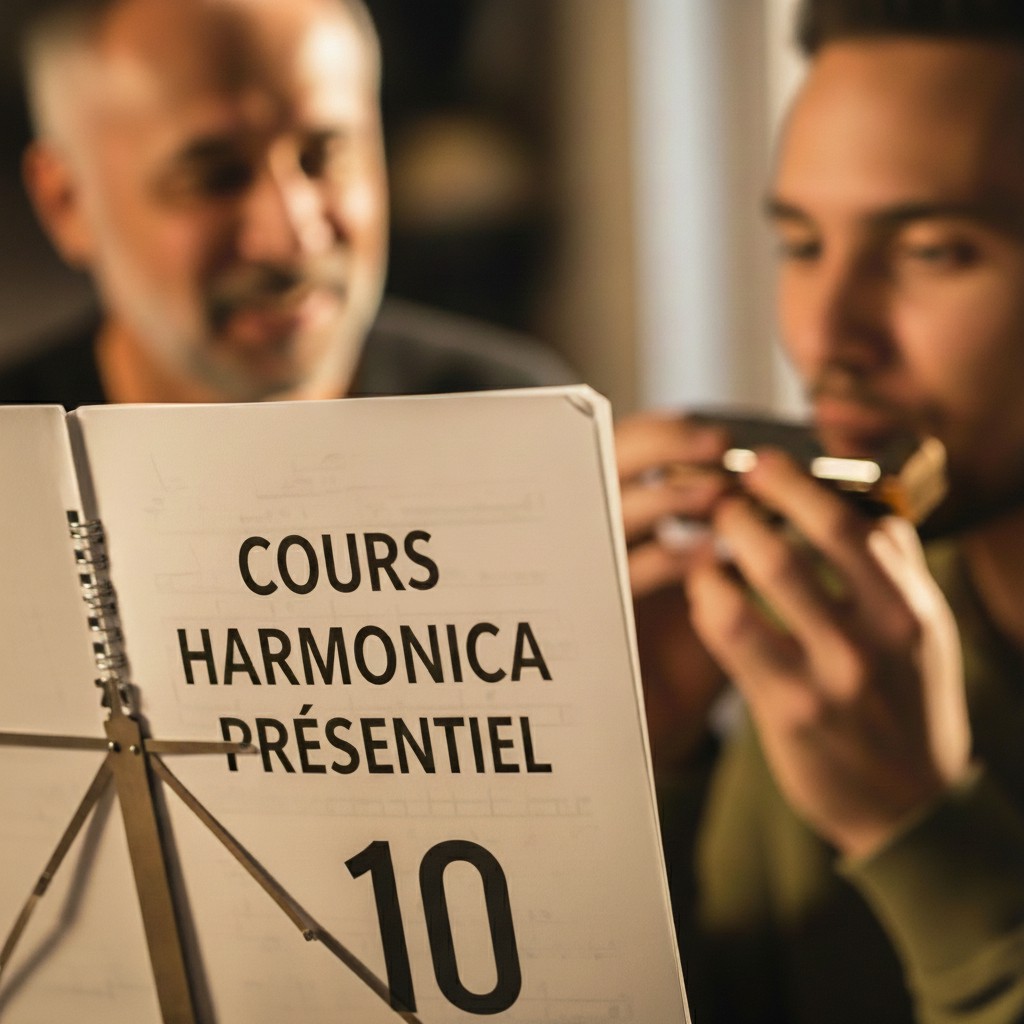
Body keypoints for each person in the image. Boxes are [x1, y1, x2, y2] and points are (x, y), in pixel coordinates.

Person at [620, 2, 1024, 1022]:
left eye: (931, 250)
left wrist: (922, 834)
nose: (824, 335)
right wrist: (640, 775)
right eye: (800, 244)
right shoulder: (836, 634)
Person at [2, 0, 574, 410]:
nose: (294, 232)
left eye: (325, 157)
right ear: (67, 202)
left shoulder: (517, 418)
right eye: (216, 177)